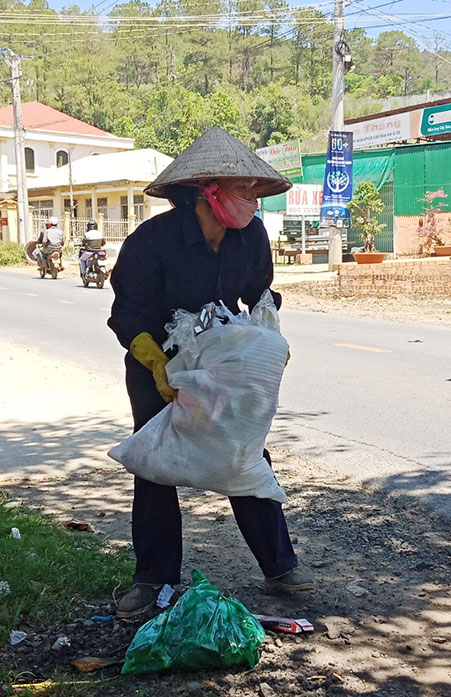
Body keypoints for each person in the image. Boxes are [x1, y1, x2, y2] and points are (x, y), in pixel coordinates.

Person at [107, 126, 313, 618]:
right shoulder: (151, 241)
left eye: (255, 190)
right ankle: (152, 578)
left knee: (244, 453)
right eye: (242, 189)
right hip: (155, 359)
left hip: (224, 364)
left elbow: (260, 293)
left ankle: (279, 566)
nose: (252, 200)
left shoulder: (251, 235)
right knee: (156, 461)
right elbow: (127, 315)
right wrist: (158, 366)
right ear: (206, 189)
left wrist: (269, 337)